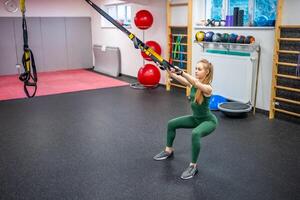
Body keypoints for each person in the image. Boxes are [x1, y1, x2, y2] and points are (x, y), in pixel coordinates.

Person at [153, 59, 218, 180]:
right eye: (196, 68)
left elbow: (195, 82)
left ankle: (193, 166)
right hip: (195, 118)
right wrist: (166, 68)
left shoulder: (208, 88)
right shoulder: (194, 83)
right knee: (171, 124)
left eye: (199, 69)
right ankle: (168, 150)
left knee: (196, 133)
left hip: (208, 121)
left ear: (207, 72)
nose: (196, 71)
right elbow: (178, 78)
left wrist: (181, 72)